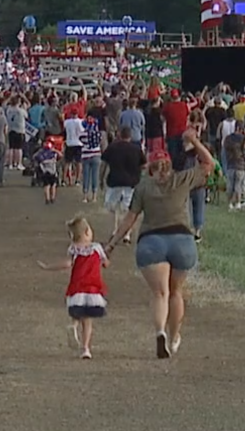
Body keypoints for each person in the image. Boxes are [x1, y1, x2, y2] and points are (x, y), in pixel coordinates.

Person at [107, 126, 214, 359]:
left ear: (150, 168)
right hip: (182, 241)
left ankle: (159, 332)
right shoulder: (183, 179)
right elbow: (209, 164)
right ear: (169, 165)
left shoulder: (143, 187)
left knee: (159, 293)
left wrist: (111, 244)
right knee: (176, 292)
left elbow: (129, 219)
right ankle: (174, 337)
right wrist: (194, 142)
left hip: (151, 243)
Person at [38, 214, 109, 360]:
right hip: (93, 288)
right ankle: (86, 348)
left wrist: (48, 267)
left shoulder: (73, 250)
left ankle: (74, 325)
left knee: (77, 311)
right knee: (88, 320)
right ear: (87, 232)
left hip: (77, 286)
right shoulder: (97, 248)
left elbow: (67, 264)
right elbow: (105, 263)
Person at [101, 126, 145, 244]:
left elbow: (104, 164)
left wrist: (101, 179)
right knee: (128, 209)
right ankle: (127, 234)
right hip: (131, 183)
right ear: (130, 136)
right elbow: (143, 165)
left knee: (113, 207)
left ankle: (115, 230)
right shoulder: (136, 149)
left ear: (119, 134)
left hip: (114, 181)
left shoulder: (112, 147)